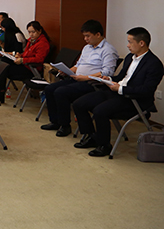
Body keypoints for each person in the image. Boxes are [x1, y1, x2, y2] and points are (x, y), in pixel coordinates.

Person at [72, 27, 164, 157]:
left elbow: (146, 91)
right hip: (116, 92)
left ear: (141, 43)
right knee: (79, 104)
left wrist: (120, 89)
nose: (127, 45)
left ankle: (104, 145)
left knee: (99, 111)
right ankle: (92, 136)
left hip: (134, 100)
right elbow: (121, 77)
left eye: (130, 42)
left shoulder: (154, 64)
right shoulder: (130, 57)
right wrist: (109, 79)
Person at [40, 20, 119, 137]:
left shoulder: (108, 50)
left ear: (98, 34)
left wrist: (86, 77)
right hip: (77, 79)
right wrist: (67, 70)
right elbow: (78, 65)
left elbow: (107, 72)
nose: (85, 39)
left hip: (92, 83)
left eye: (88, 36)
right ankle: (55, 121)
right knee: (50, 89)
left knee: (61, 92)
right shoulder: (87, 48)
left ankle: (65, 125)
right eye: (84, 36)